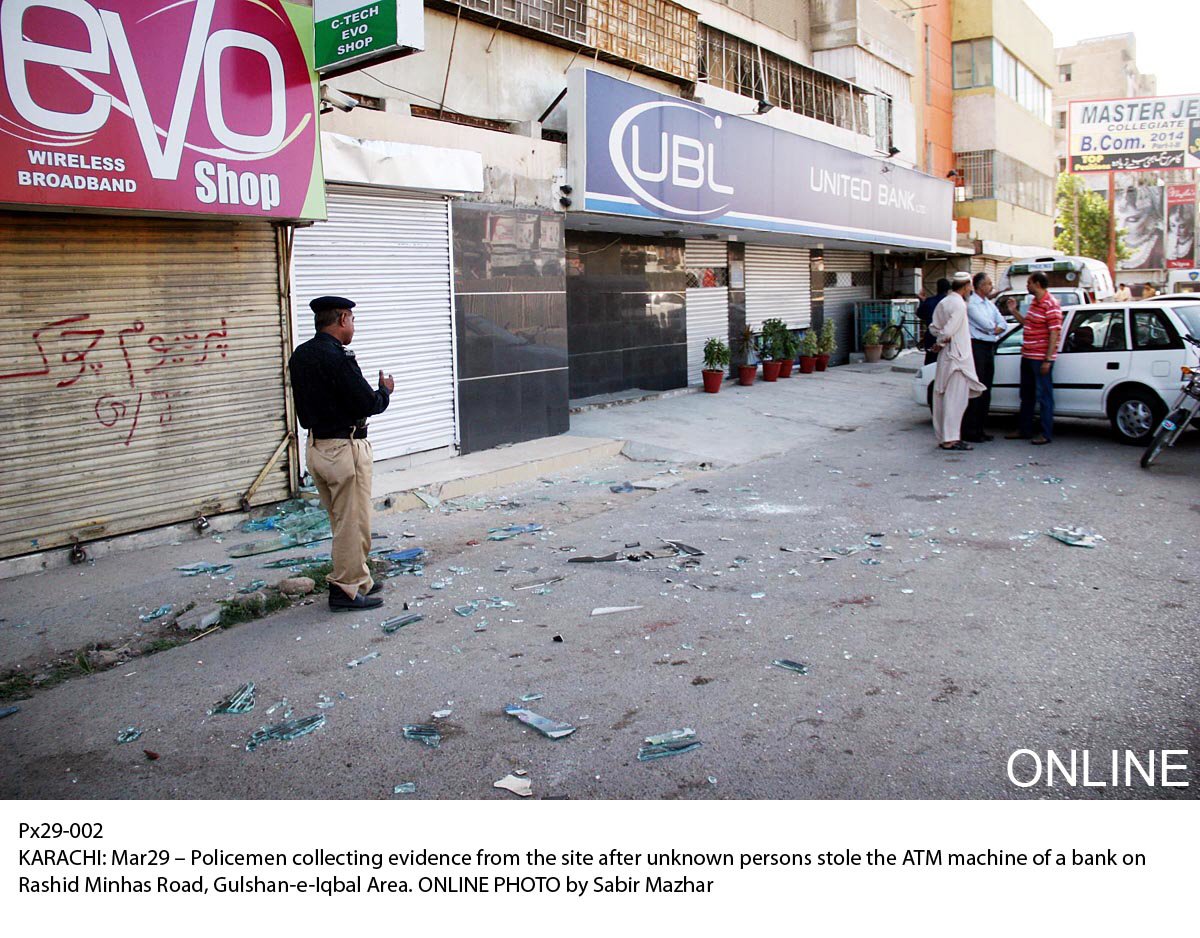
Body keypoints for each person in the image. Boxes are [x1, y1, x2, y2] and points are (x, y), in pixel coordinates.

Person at [289, 296, 394, 611]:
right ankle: (344, 590)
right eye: (352, 320)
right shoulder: (337, 357)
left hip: (317, 448)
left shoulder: (301, 355)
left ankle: (359, 579)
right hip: (343, 450)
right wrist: (384, 391)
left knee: (343, 520)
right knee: (352, 521)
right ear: (343, 318)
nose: (353, 327)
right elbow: (367, 403)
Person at [929, 272, 985, 451]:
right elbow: (948, 331)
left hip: (948, 355)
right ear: (966, 285)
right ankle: (950, 439)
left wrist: (940, 340)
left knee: (944, 397)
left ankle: (945, 436)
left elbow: (934, 328)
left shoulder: (944, 302)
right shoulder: (959, 304)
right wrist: (941, 341)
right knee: (956, 400)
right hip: (957, 358)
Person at [1006, 271, 1061, 445]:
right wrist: (1013, 312)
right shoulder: (1035, 303)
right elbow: (1028, 324)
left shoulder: (1050, 304)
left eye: (1029, 282)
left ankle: (1046, 433)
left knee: (1044, 395)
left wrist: (1048, 359)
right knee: (1027, 395)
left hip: (1040, 357)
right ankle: (1024, 429)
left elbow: (1054, 333)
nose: (1027, 286)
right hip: (1028, 354)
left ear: (1037, 283)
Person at [962, 272, 1007, 442]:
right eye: (989, 284)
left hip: (989, 346)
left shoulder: (989, 304)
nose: (991, 287)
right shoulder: (972, 304)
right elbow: (987, 325)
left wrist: (994, 328)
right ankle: (970, 429)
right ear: (980, 286)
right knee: (977, 388)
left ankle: (980, 428)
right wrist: (993, 328)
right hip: (977, 346)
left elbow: (1002, 324)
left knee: (987, 388)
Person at [916, 277, 951, 366]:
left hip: (931, 335)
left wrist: (922, 301)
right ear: (948, 290)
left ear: (937, 288)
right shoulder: (950, 302)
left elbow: (920, 314)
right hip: (946, 337)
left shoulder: (930, 301)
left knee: (930, 363)